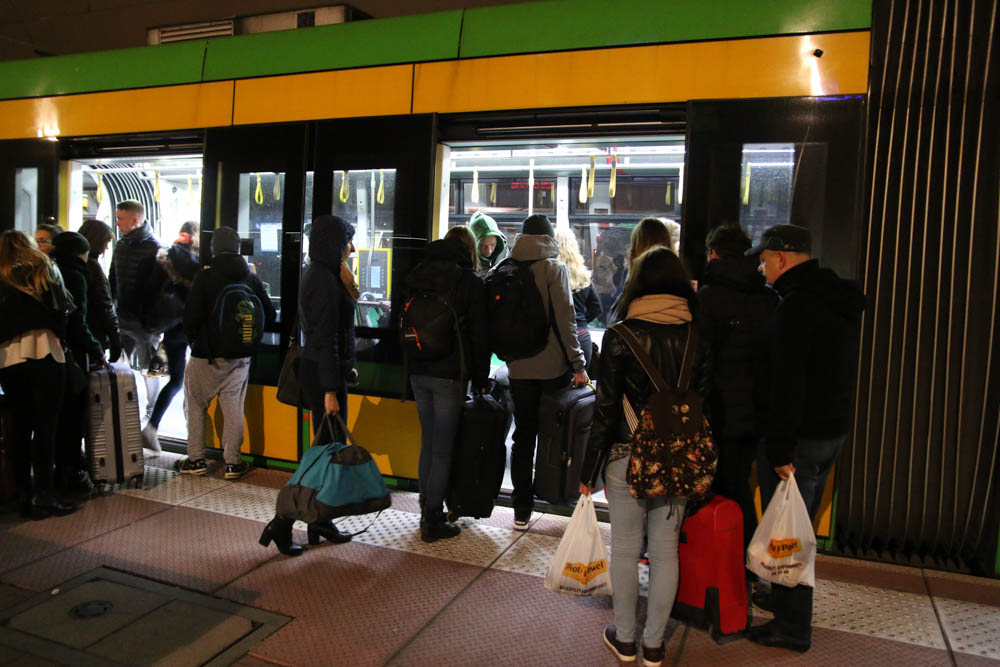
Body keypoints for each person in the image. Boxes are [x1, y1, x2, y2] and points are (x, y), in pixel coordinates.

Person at [578, 247, 710, 667]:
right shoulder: (698, 335)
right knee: (666, 550)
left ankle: (626, 638)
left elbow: (605, 407)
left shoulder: (621, 334)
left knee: (626, 547)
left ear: (637, 283)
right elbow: (704, 402)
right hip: (678, 457)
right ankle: (654, 643)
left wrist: (588, 470)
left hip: (626, 455)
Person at [745, 224, 865, 653]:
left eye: (764, 260)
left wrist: (779, 446)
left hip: (799, 437)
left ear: (781, 258)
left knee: (791, 533)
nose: (761, 267)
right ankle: (779, 594)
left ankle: (792, 626)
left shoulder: (796, 306)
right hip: (831, 430)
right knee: (797, 524)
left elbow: (789, 384)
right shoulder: (837, 299)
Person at [260, 214, 358, 555]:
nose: (353, 248)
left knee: (327, 455)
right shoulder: (322, 280)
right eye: (348, 241)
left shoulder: (326, 274)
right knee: (322, 457)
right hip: (322, 377)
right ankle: (282, 524)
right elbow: (325, 339)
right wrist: (331, 389)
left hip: (326, 373)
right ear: (335, 243)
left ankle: (319, 520)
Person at [406, 227, 490, 542]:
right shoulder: (468, 282)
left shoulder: (417, 275)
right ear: (468, 250)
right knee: (442, 449)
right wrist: (481, 378)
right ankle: (432, 519)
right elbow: (480, 336)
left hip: (417, 370)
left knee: (428, 442)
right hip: (450, 374)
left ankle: (425, 507)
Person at [699, 224, 778, 554]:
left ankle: (742, 559)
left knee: (726, 487)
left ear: (714, 253)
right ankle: (739, 559)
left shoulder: (707, 297)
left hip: (719, 411)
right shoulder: (769, 297)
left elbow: (701, 361)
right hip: (758, 412)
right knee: (740, 483)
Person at [506, 214, 588, 529]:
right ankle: (554, 495)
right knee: (554, 435)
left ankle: (521, 510)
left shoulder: (506, 268)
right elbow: (567, 322)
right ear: (549, 239)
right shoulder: (555, 269)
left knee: (523, 436)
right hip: (553, 368)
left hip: (518, 369)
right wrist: (578, 365)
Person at [179, 226, 274, 481]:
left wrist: (195, 342)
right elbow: (270, 314)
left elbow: (191, 318)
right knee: (233, 408)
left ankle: (196, 459)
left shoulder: (205, 277)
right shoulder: (249, 277)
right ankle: (233, 463)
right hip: (240, 356)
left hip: (206, 356)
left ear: (213, 249)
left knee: (196, 405)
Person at [0, 230, 76, 518]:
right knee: (45, 428)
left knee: (18, 428)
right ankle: (44, 494)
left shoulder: (2, 273)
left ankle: (20, 495)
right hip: (46, 350)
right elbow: (62, 311)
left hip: (8, 357)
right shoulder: (44, 266)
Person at [51, 231, 106, 497]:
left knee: (54, 420)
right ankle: (70, 475)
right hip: (71, 357)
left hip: (49, 355)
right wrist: (97, 349)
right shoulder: (76, 275)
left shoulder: (48, 271)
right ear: (81, 253)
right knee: (73, 418)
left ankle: (53, 475)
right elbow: (78, 322)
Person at [109, 199, 170, 426]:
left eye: (120, 219)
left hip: (146, 324)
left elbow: (163, 290)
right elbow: (112, 280)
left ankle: (151, 414)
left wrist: (155, 321)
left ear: (135, 220)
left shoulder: (156, 248)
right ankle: (119, 408)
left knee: (150, 369)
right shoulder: (121, 245)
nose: (117, 224)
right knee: (117, 365)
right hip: (123, 319)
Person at [142, 221, 200, 452]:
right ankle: (196, 438)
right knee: (196, 384)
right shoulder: (194, 259)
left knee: (176, 381)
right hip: (192, 327)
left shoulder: (166, 256)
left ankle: (152, 426)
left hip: (172, 328)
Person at [555, 228, 601, 370]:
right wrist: (580, 320)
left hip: (558, 339)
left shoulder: (550, 275)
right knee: (580, 388)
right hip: (582, 336)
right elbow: (596, 308)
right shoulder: (583, 276)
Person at [78, 219, 122, 363]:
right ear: (97, 241)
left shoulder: (72, 264)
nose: (107, 248)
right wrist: (115, 340)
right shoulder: (93, 267)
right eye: (106, 242)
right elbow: (104, 307)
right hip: (93, 337)